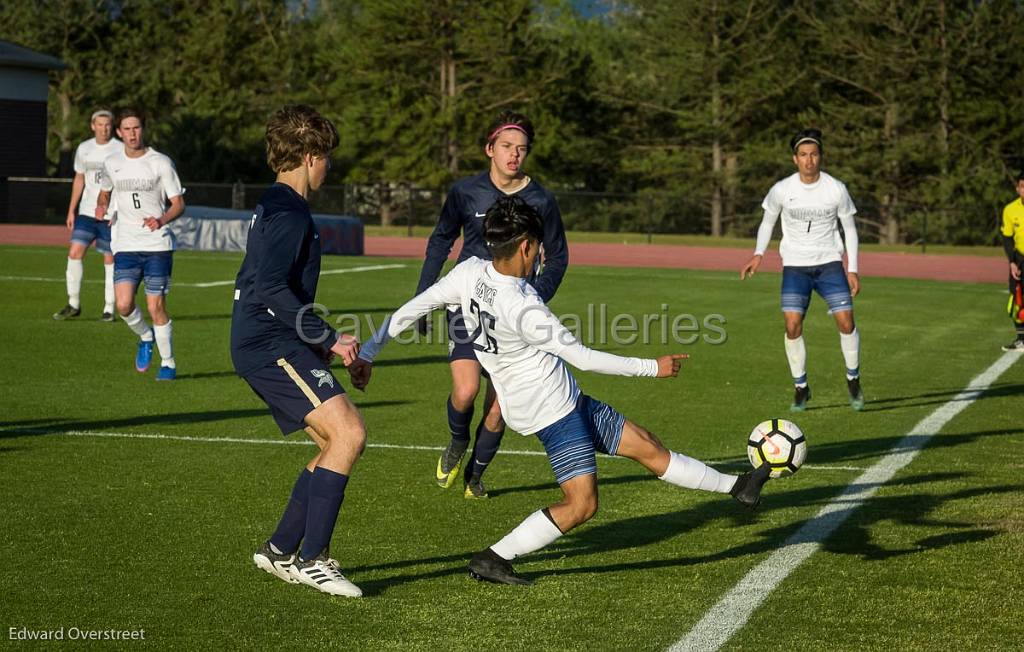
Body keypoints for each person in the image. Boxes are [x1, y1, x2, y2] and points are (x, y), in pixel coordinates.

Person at [351, 196, 770, 585]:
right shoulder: (523, 305)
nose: (541, 255)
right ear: (527, 246)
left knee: (646, 445)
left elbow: (416, 306)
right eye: (539, 247)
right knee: (582, 504)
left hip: (558, 397)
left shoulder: (469, 272)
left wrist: (369, 352)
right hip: (552, 412)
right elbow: (584, 357)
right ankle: (493, 557)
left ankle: (739, 487)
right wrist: (652, 368)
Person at [234, 105, 365, 598]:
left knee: (335, 442)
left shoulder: (278, 203)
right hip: (268, 343)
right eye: (326, 157)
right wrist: (329, 337)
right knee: (349, 433)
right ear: (310, 157)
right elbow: (269, 288)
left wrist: (314, 343)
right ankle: (314, 559)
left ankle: (279, 550)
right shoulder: (289, 211)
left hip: (277, 339)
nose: (328, 167)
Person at [415, 110, 569, 499]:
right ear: (489, 149)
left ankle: (475, 475)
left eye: (521, 149)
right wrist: (423, 294)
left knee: (499, 407)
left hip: (515, 317)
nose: (514, 155)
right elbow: (440, 240)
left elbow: (559, 256)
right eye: (506, 147)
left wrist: (534, 296)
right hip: (468, 306)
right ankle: (455, 443)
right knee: (465, 391)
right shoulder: (466, 192)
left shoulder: (541, 199)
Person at [740, 128, 864, 411]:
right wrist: (758, 254)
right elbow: (767, 222)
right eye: (804, 155)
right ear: (795, 159)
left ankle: (853, 378)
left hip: (830, 265)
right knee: (792, 325)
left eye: (814, 154)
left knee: (846, 321)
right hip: (795, 267)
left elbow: (850, 230)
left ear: (821, 157)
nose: (809, 160)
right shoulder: (782, 190)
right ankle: (801, 386)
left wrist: (852, 268)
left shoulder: (835, 189)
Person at [96, 109, 185, 380]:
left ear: (142, 130)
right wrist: (102, 207)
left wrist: (161, 220)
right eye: (127, 129)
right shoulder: (111, 162)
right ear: (119, 132)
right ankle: (146, 336)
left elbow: (178, 204)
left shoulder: (160, 162)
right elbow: (104, 193)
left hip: (157, 244)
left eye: (136, 128)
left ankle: (168, 363)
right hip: (125, 243)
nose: (132, 133)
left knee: (155, 306)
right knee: (123, 305)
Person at [53, 109, 122, 322]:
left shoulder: (120, 149)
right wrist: (71, 209)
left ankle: (109, 308)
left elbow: (122, 183)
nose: (104, 128)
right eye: (100, 124)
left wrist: (119, 211)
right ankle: (73, 303)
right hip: (86, 211)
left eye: (108, 124)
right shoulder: (84, 148)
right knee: (74, 252)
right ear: (93, 126)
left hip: (111, 214)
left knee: (109, 258)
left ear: (113, 126)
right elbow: (79, 179)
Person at [1000, 172, 1024, 352]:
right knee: (1016, 300)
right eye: (1022, 186)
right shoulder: (1010, 209)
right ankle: (1021, 339)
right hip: (1019, 259)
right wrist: (1012, 262)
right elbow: (1007, 238)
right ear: (1017, 189)